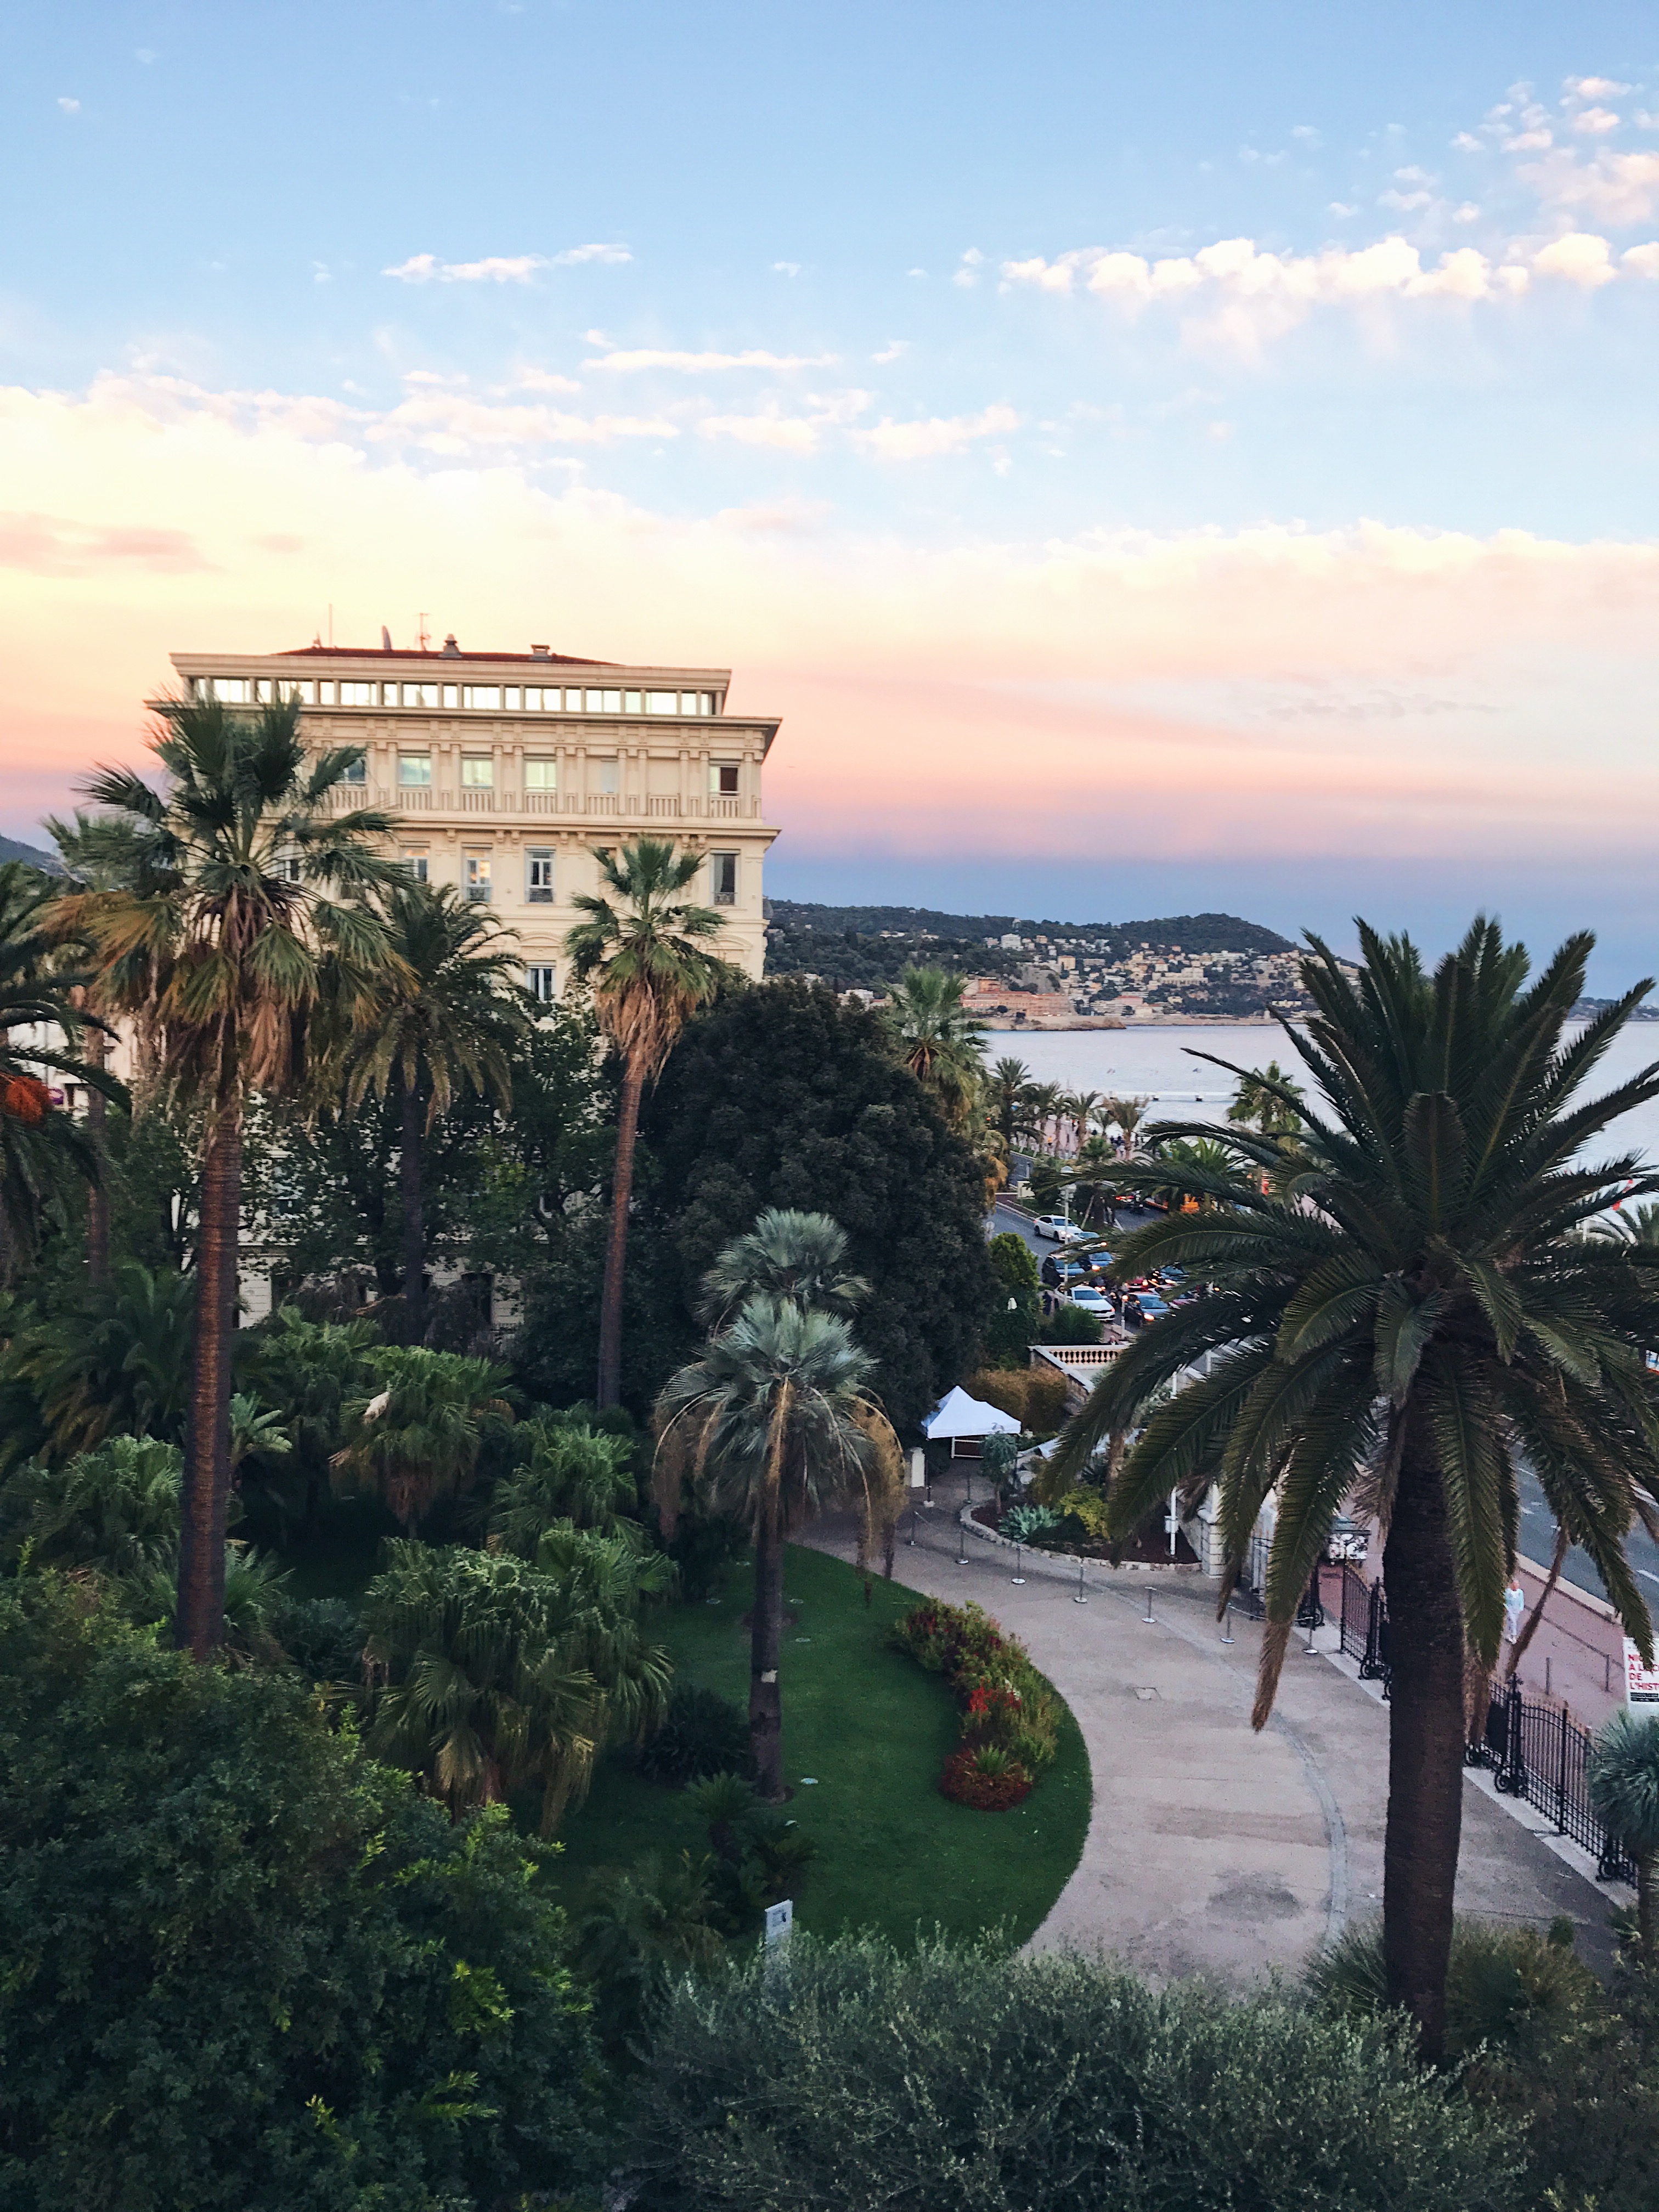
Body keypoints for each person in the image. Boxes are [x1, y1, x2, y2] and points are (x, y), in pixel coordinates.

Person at [1503, 1576, 1525, 1644]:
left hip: (1517, 1610)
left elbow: (1521, 1600)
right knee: (1513, 1622)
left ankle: (1509, 1635)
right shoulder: (1508, 1592)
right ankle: (1514, 1636)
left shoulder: (1520, 1592)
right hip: (1510, 1609)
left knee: (1512, 1623)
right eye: (1515, 1584)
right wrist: (1507, 1608)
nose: (1516, 1586)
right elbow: (1505, 1600)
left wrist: (1521, 1608)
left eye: (1517, 1584)